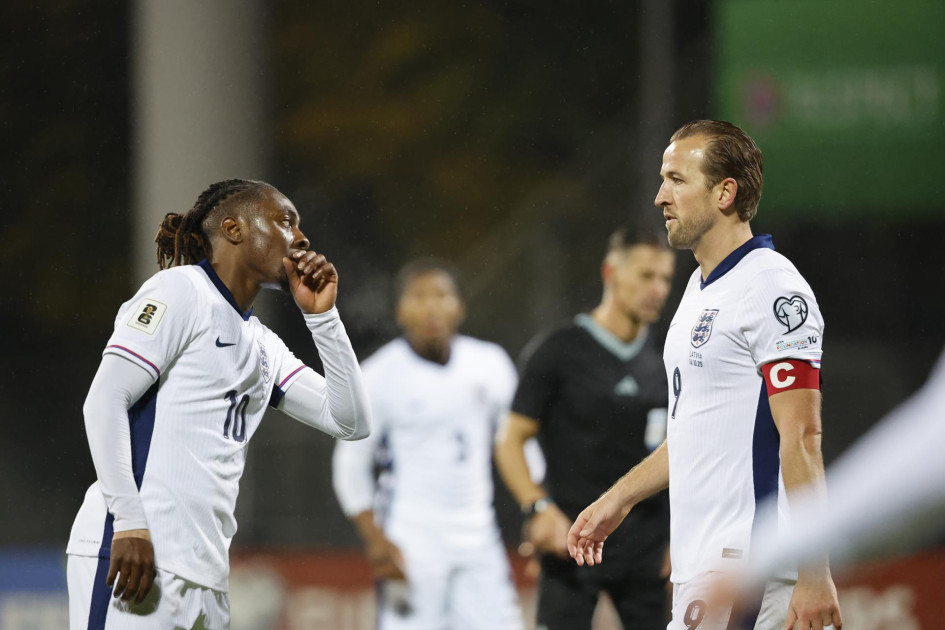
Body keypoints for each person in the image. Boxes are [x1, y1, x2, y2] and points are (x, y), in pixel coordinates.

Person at [567, 121, 844, 630]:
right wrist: (619, 498)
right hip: (709, 566)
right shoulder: (700, 288)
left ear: (724, 192)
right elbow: (699, 431)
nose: (659, 197)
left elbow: (803, 436)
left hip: (750, 562)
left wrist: (814, 572)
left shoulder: (771, 287)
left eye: (676, 179)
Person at [66, 179, 372, 629]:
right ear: (233, 229)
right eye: (285, 222)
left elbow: (351, 421)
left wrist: (323, 319)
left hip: (206, 578)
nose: (301, 238)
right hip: (138, 553)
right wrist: (128, 521)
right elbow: (105, 399)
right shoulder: (181, 291)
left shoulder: (264, 345)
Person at [494, 225, 676, 630]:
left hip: (649, 545)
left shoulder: (673, 352)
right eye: (646, 276)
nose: (659, 289)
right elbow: (511, 440)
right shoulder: (559, 350)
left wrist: (683, 537)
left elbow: (688, 449)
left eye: (665, 278)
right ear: (611, 274)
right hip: (571, 542)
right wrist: (538, 509)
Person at [332, 260, 524, 630]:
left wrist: (536, 506)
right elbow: (350, 465)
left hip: (479, 538)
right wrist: (375, 540)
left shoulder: (491, 365)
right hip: (412, 543)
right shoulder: (378, 376)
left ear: (460, 307)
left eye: (441, 295)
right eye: (419, 297)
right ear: (401, 310)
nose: (432, 307)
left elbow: (518, 445)